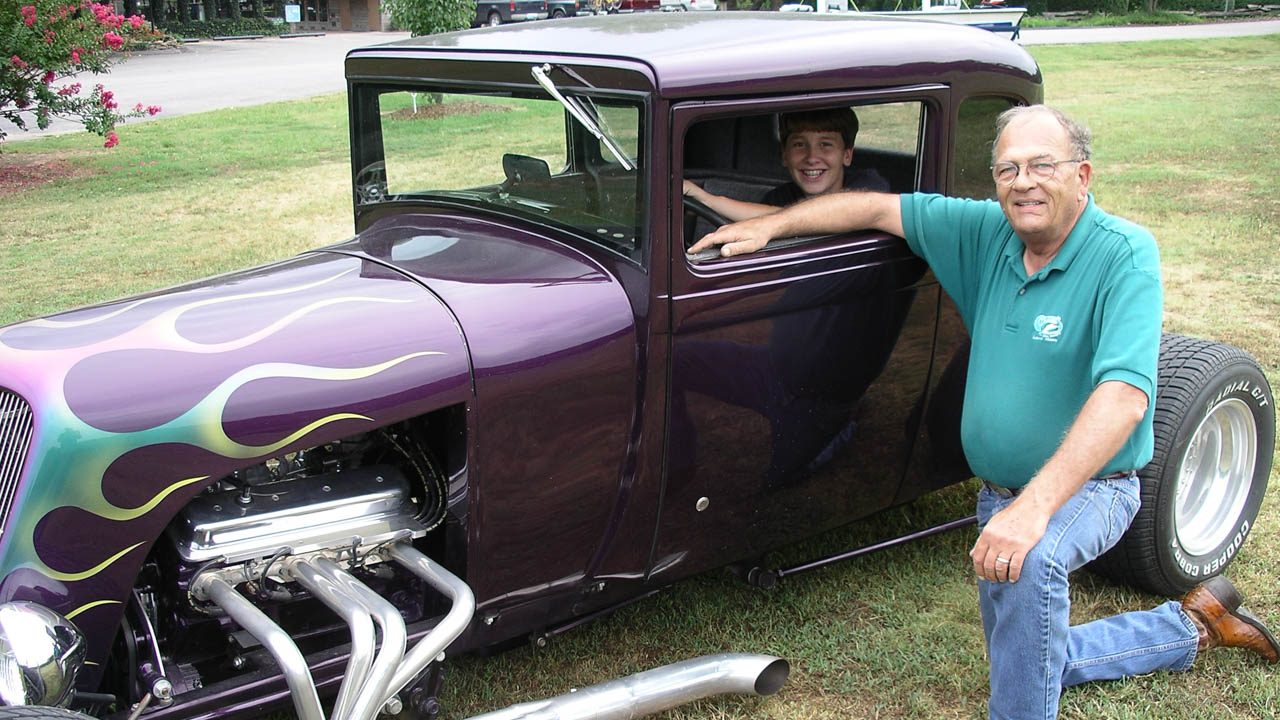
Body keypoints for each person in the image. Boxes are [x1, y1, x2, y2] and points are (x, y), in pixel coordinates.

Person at [688, 104, 1279, 720]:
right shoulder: (985, 232)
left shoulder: (1124, 254)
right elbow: (871, 208)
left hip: (1092, 489)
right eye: (1007, 168)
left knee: (1034, 567)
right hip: (1000, 494)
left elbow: (1126, 398)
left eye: (1041, 165)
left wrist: (1033, 510)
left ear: (1082, 176)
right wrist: (772, 228)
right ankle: (1192, 627)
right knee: (1026, 656)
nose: (1022, 181)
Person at [682, 107, 888, 222]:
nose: (812, 156)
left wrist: (709, 200)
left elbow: (823, 217)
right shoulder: (778, 198)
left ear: (847, 155)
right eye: (799, 145)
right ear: (785, 156)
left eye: (826, 145)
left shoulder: (869, 187)